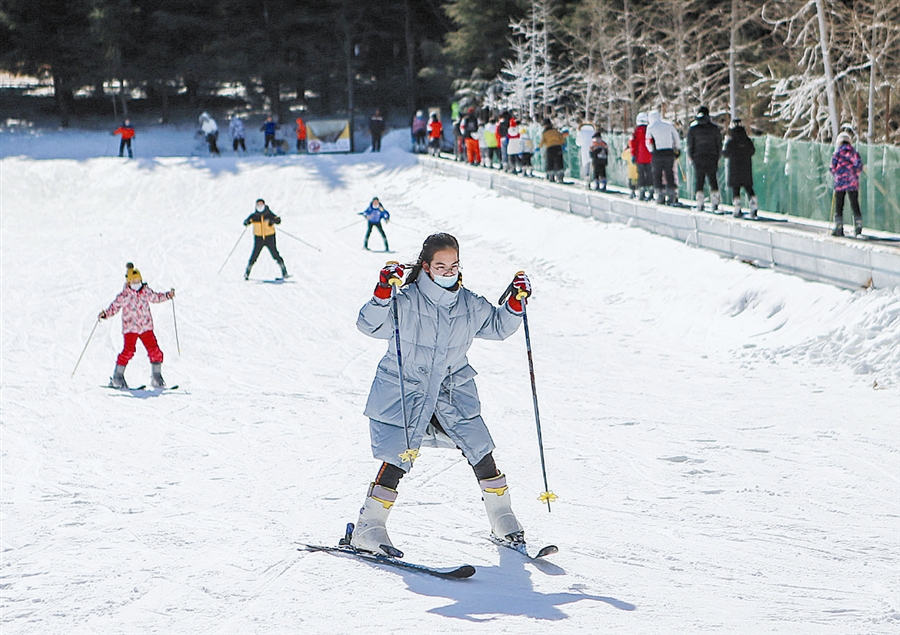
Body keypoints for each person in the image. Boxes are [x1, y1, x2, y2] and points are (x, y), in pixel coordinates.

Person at [350, 232, 533, 556]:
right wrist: (381, 294)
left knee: (480, 450)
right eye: (441, 265)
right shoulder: (404, 299)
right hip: (405, 389)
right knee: (397, 457)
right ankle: (369, 528)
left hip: (451, 390)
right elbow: (368, 325)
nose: (448, 271)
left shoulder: (468, 303)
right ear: (426, 266)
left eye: (453, 265)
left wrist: (515, 304)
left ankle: (502, 518)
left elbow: (497, 327)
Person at [99, 263, 174, 389]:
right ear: (128, 282)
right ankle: (117, 377)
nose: (136, 282)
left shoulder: (145, 291)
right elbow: (115, 307)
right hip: (131, 329)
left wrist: (167, 295)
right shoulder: (125, 295)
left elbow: (156, 297)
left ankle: (156, 377)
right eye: (133, 280)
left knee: (155, 350)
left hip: (146, 327)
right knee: (128, 351)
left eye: (138, 280)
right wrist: (105, 314)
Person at [687, 106, 722, 212]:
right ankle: (715, 202)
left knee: (699, 180)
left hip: (698, 157)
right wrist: (717, 157)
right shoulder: (714, 128)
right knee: (713, 179)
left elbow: (690, 145)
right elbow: (719, 144)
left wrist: (691, 157)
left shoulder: (693, 128)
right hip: (712, 157)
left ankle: (700, 203)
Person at [829, 132, 864, 236]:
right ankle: (858, 225)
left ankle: (839, 226)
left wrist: (837, 175)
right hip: (852, 182)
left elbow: (832, 168)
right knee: (854, 203)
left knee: (839, 204)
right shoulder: (854, 153)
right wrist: (854, 175)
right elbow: (859, 166)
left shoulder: (837, 153)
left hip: (840, 183)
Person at [243, 199, 288, 280]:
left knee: (275, 254)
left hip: (270, 237)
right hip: (258, 238)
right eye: (258, 205)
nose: (260, 206)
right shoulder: (254, 216)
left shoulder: (269, 214)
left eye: (261, 204)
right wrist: (247, 222)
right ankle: (247, 272)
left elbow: (278, 220)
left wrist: (274, 220)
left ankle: (284, 271)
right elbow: (246, 222)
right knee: (254, 255)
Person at [721, 119, 758, 219]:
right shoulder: (747, 139)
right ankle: (753, 204)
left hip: (734, 168)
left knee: (736, 188)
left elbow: (725, 153)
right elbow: (752, 151)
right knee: (748, 187)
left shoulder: (731, 140)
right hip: (746, 167)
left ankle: (737, 207)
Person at [645, 110, 681, 206]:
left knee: (657, 174)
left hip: (657, 153)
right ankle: (672, 195)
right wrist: (677, 148)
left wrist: (652, 150)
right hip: (669, 152)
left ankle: (660, 195)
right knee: (670, 173)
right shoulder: (668, 125)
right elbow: (676, 137)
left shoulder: (650, 128)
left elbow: (648, 142)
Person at [630, 113, 654, 201]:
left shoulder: (636, 132)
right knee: (650, 174)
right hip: (650, 157)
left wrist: (633, 155)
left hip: (639, 157)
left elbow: (633, 144)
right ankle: (651, 190)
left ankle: (641, 191)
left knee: (641, 175)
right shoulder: (650, 130)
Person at [540, 118, 566, 183]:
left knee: (550, 161)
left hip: (550, 148)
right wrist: (563, 144)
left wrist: (539, 147)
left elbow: (542, 141)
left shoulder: (545, 133)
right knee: (559, 161)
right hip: (558, 147)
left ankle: (551, 175)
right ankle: (560, 175)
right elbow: (561, 138)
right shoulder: (556, 131)